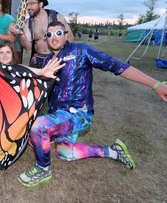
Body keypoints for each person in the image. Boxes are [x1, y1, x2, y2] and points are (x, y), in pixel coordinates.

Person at [18, 21, 167, 187]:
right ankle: (112, 151)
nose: (54, 38)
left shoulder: (81, 50)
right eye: (49, 34)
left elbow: (117, 66)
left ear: (67, 35)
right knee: (65, 153)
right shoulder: (47, 62)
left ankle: (43, 169)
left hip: (79, 114)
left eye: (58, 33)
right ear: (45, 39)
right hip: (59, 116)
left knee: (39, 127)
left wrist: (155, 85)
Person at [0, 40, 65, 170]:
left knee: (11, 133)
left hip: (11, 113)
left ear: (12, 54)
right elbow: (15, 70)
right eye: (1, 52)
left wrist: (42, 74)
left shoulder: (16, 71)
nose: (4, 55)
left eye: (7, 52)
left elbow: (21, 71)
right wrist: (41, 71)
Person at [10, 0, 74, 68]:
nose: (28, 7)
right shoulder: (28, 23)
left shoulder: (57, 17)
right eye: (27, 4)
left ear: (41, 4)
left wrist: (61, 55)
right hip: (38, 60)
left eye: (32, 3)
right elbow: (28, 47)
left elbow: (70, 39)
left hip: (56, 59)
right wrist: (21, 35)